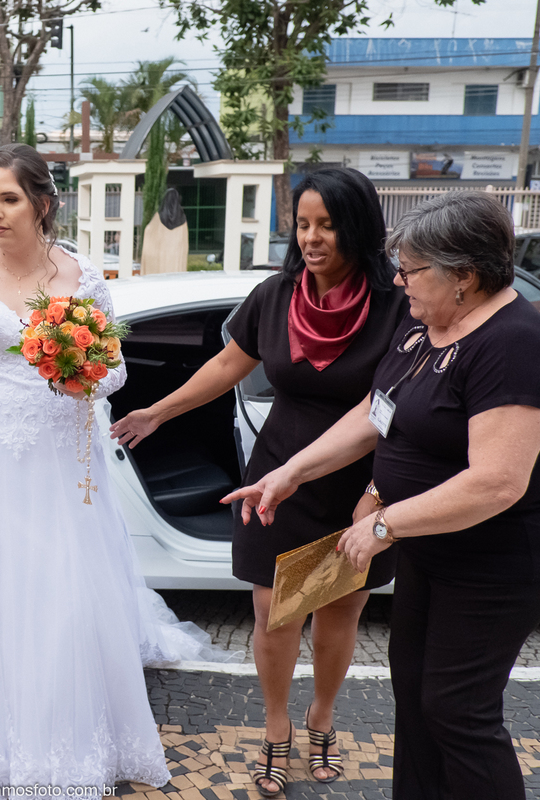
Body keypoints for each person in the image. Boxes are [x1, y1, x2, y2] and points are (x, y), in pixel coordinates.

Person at [0, 143, 236, 796]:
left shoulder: (81, 277)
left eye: (8, 199)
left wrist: (80, 370)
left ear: (42, 204)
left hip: (55, 452)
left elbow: (114, 369)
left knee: (51, 586)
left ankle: (56, 737)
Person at [229, 191, 540, 800]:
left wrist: (384, 525)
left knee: (457, 711)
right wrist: (292, 472)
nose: (398, 280)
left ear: (464, 274)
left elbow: (497, 481)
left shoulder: (516, 343)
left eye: (412, 269)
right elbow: (375, 415)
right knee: (415, 698)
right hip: (433, 550)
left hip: (495, 561)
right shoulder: (427, 331)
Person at [110, 167, 408, 796]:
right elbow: (226, 364)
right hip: (278, 476)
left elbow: (396, 407)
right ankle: (277, 728)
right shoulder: (277, 295)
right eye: (302, 224)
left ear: (357, 227)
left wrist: (378, 496)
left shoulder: (396, 308)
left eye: (326, 225)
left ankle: (322, 716)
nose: (311, 238)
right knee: (274, 616)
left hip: (361, 481)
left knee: (336, 614)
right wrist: (156, 411)